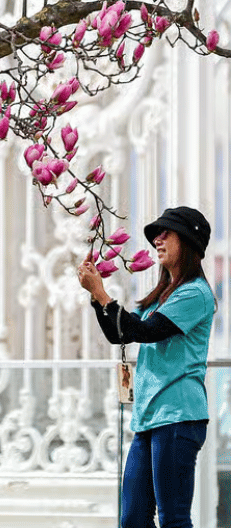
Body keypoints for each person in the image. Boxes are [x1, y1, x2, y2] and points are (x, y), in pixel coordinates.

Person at [77, 206, 214, 528]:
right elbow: (120, 333)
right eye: (156, 235)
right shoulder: (161, 297)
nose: (158, 239)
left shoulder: (195, 293)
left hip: (179, 415)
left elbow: (147, 332)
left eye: (167, 233)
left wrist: (102, 293)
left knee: (173, 519)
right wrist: (97, 298)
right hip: (150, 417)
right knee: (133, 519)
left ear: (190, 241)